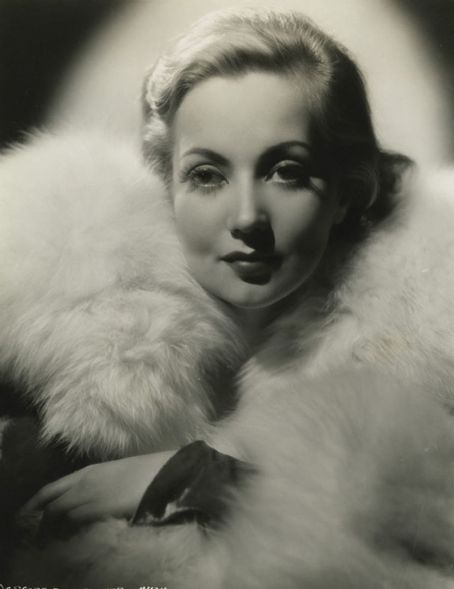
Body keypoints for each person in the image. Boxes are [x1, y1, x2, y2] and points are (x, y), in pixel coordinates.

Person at [2, 7, 454, 588]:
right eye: (207, 176)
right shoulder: (45, 346)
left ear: (346, 193)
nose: (246, 218)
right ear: (166, 184)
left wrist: (204, 477)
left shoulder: (427, 344)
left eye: (286, 171)